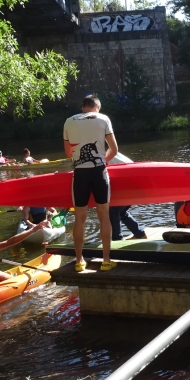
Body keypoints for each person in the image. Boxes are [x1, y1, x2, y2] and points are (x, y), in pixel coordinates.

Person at [63, 94, 119, 272]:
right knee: (104, 216)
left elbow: (68, 153)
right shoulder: (103, 119)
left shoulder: (68, 121)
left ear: (83, 107)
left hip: (80, 173)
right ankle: (106, 260)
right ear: (96, 106)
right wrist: (103, 161)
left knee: (80, 218)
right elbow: (114, 149)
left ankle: (79, 261)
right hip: (99, 172)